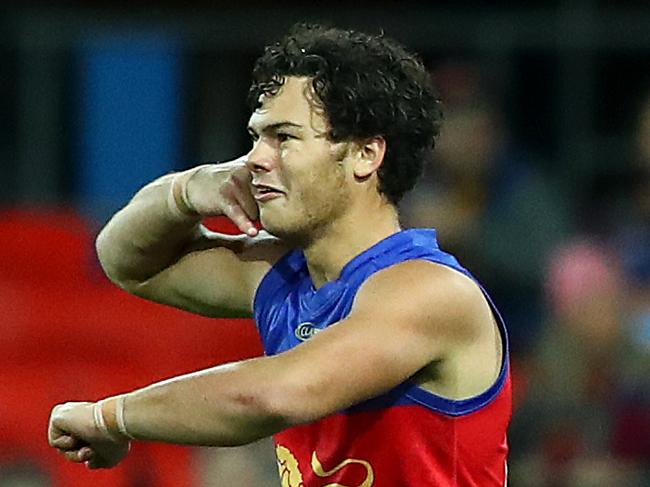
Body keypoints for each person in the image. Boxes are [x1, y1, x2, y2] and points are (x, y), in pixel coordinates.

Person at [48, 24, 512, 487]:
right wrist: (186, 191)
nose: (254, 159)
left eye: (284, 137)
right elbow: (124, 261)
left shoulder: (431, 292)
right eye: (256, 137)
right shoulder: (283, 276)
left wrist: (112, 417)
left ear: (366, 154)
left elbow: (275, 395)